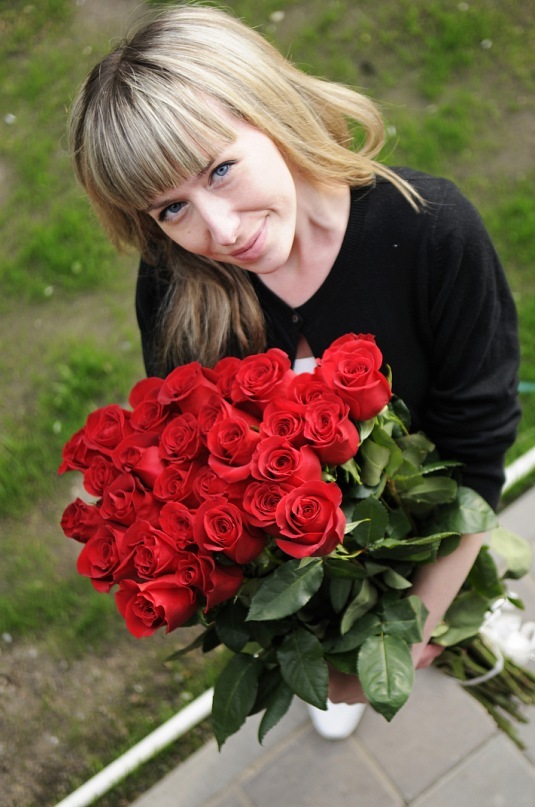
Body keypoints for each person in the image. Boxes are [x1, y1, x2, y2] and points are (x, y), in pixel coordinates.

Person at [68, 4, 521, 738]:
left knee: (463, 617)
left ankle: (479, 615)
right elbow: (202, 486)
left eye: (220, 169)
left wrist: (406, 635)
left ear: (271, 112)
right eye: (172, 208)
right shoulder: (174, 290)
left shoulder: (429, 232)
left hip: (439, 530)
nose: (220, 231)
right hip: (315, 584)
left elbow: (477, 444)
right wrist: (319, 648)